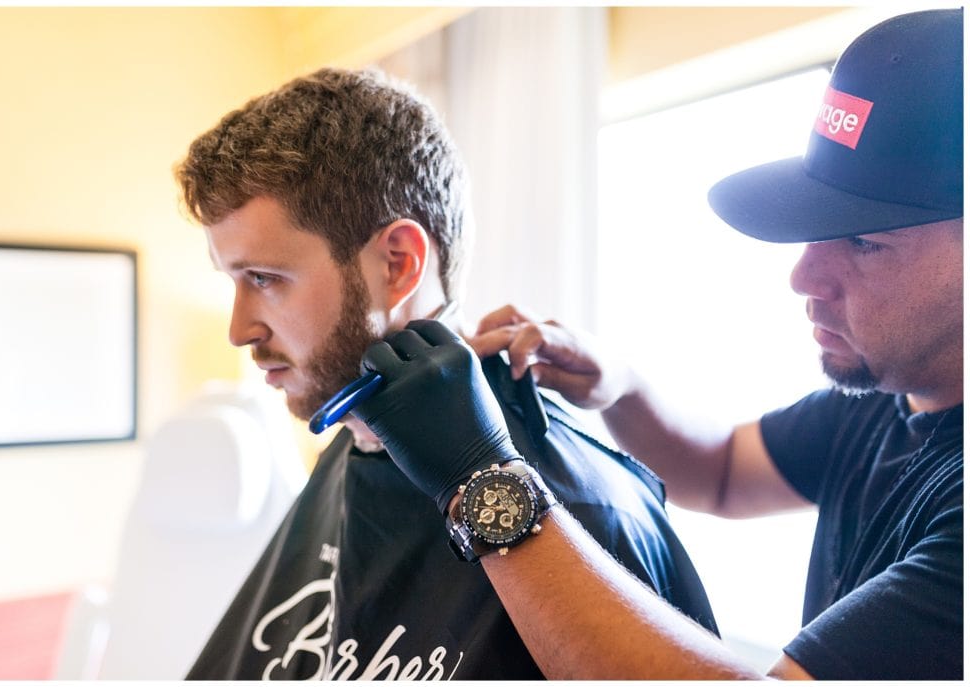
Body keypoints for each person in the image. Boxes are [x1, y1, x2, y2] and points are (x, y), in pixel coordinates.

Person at [351, 8, 963, 681]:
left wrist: (484, 482)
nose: (803, 275)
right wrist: (618, 383)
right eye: (819, 228)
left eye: (866, 242)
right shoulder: (887, 398)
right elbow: (724, 470)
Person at [174, 67, 718, 679]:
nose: (239, 329)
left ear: (399, 265)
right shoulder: (351, 451)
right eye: (234, 283)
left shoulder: (590, 511)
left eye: (265, 280)